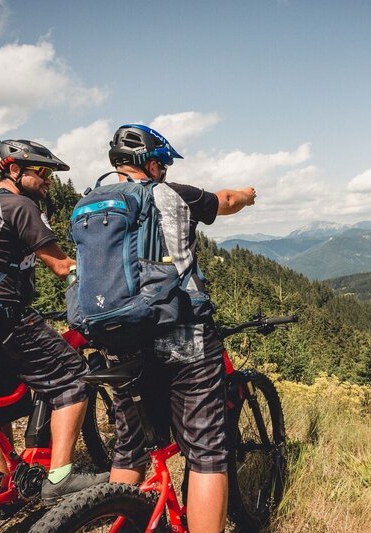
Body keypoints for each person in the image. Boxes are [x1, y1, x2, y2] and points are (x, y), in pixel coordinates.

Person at [104, 124, 256, 533]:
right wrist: (246, 194)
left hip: (116, 340)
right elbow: (225, 200)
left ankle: (117, 516)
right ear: (151, 164)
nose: (165, 172)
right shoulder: (169, 193)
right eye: (163, 165)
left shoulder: (91, 203)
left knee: (130, 449)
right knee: (207, 452)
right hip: (181, 334)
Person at [0, 139, 107, 503]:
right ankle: (59, 480)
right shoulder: (19, 206)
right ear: (13, 170)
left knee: (0, 405)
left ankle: (1, 491)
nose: (48, 180)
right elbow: (62, 266)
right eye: (41, 172)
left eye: (50, 173)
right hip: (4, 319)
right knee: (73, 378)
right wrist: (108, 282)